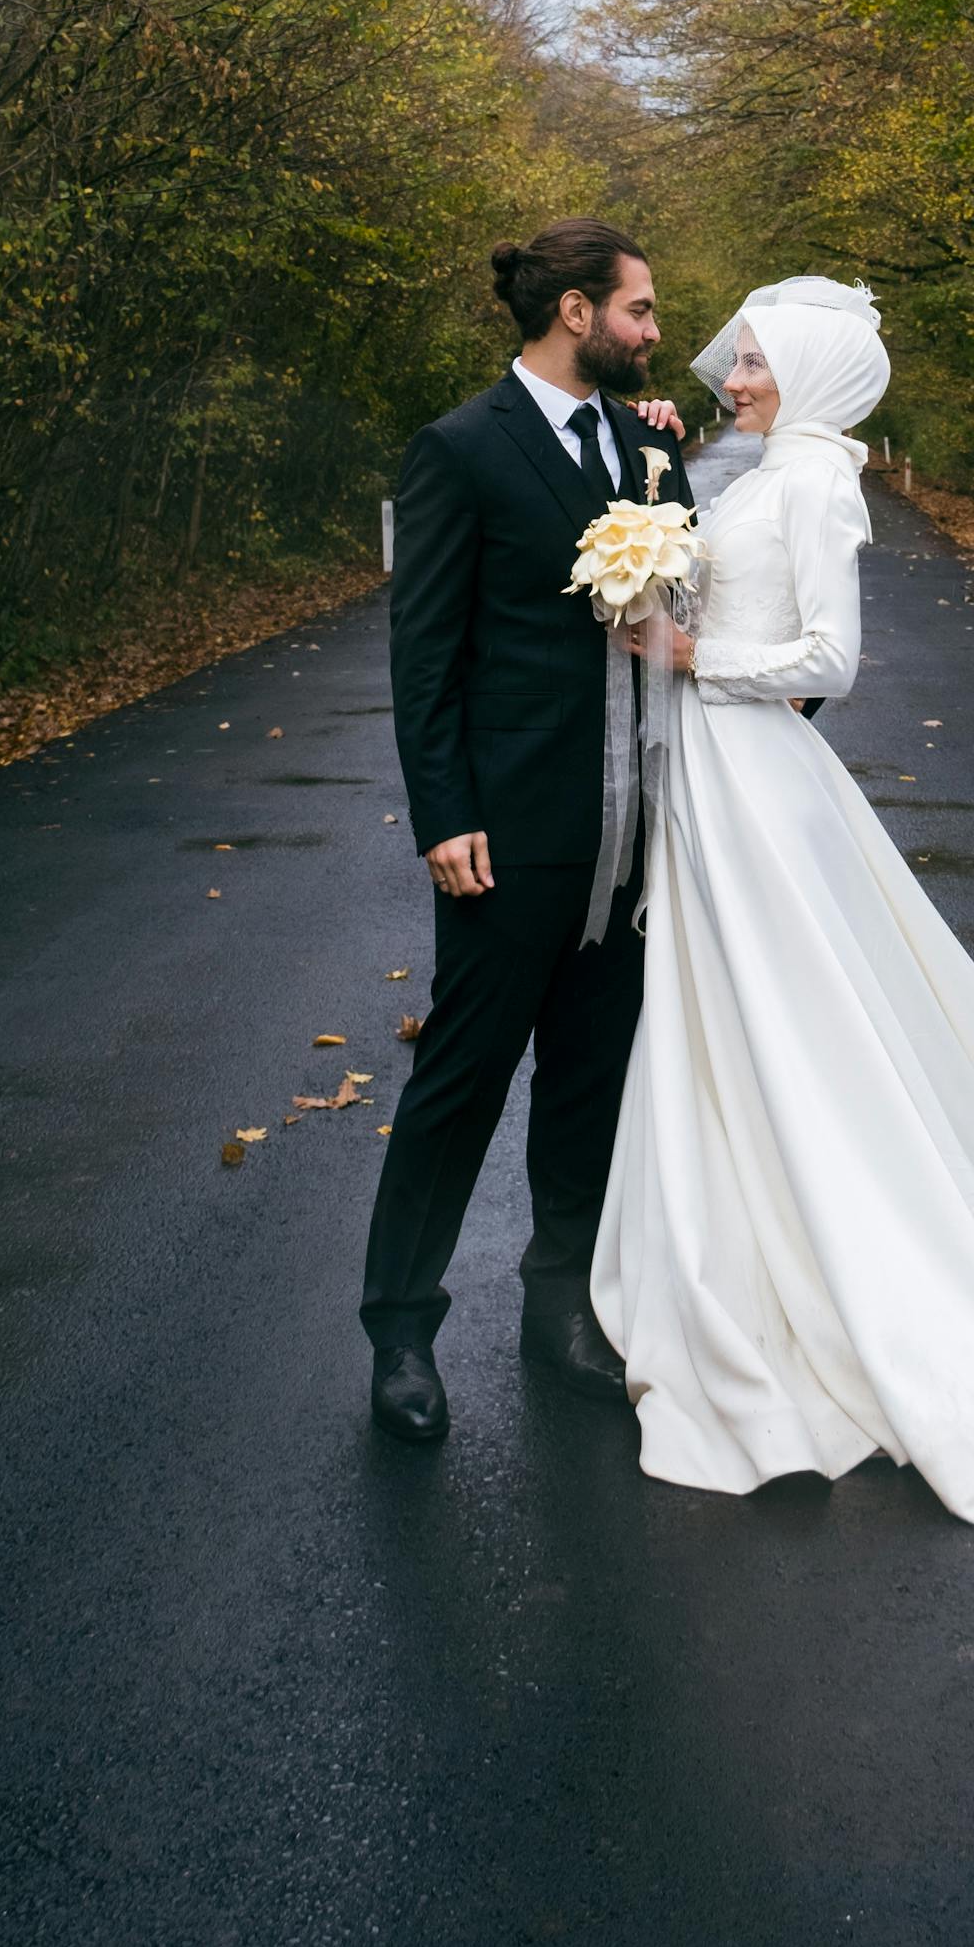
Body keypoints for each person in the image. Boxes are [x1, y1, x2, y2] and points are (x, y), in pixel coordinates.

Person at [592, 277, 974, 1528]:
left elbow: (833, 658)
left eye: (761, 364)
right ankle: (728, 1230)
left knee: (793, 1010)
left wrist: (690, 655)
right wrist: (649, 574)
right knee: (720, 1007)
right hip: (704, 776)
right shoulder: (758, 470)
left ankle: (851, 1242)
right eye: (742, 361)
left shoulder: (823, 478)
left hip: (759, 776)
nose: (739, 379)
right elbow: (708, 587)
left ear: (816, 375)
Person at [362, 220, 695, 1445]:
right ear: (575, 311)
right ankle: (400, 1329)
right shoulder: (458, 449)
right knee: (459, 1085)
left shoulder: (646, 446)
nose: (657, 334)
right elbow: (425, 654)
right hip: (508, 837)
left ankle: (560, 1310)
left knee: (591, 1086)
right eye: (642, 312)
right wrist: (443, 814)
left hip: (631, 830)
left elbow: (681, 591)